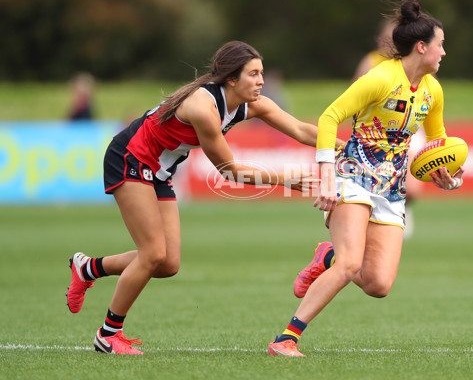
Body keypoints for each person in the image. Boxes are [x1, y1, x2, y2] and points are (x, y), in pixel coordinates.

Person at [65, 41, 341, 355]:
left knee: (167, 263)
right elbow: (229, 170)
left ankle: (88, 269)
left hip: (158, 171)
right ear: (232, 79)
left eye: (261, 73)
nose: (261, 81)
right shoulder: (203, 107)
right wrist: (285, 180)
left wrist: (346, 147)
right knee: (153, 253)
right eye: (253, 74)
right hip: (129, 159)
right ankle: (108, 335)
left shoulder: (252, 103)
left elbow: (301, 130)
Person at [268, 0, 465, 357]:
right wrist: (327, 177)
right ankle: (286, 339)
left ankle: (325, 257)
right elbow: (330, 117)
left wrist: (447, 174)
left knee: (378, 284)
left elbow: (437, 143)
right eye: (441, 45)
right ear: (421, 47)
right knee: (349, 265)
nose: (444, 52)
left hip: (391, 187)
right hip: (352, 175)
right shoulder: (379, 77)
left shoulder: (433, 91)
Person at [354, 17, 425, 239]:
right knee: (377, 186)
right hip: (378, 132)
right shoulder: (371, 62)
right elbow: (356, 96)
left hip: (410, 129)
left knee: (412, 189)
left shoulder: (416, 62)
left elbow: (427, 94)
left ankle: (403, 209)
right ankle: (380, 220)